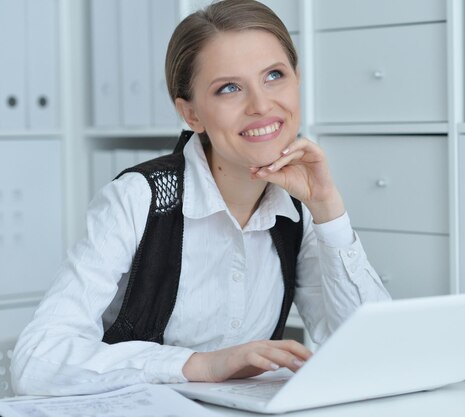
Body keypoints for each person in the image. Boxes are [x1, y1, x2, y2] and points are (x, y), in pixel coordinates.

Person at [11, 0, 391, 396]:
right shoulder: (139, 200)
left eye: (274, 76)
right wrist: (199, 365)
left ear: (297, 80)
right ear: (191, 115)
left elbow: (374, 356)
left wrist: (330, 212)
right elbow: (36, 361)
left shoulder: (300, 208)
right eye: (229, 88)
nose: (261, 105)